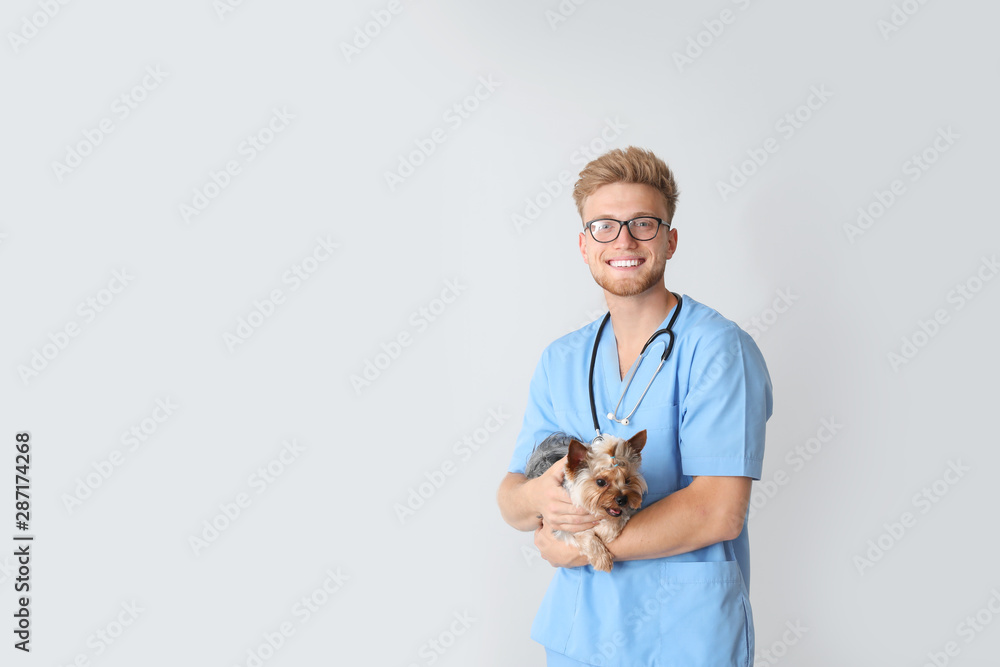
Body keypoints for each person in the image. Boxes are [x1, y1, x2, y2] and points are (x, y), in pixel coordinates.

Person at [496, 146, 773, 666]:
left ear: (669, 240)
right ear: (583, 245)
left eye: (643, 224)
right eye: (605, 226)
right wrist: (539, 496)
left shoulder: (716, 350)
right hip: (581, 638)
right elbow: (512, 499)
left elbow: (719, 511)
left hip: (685, 638)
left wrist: (579, 546)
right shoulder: (562, 359)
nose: (623, 240)